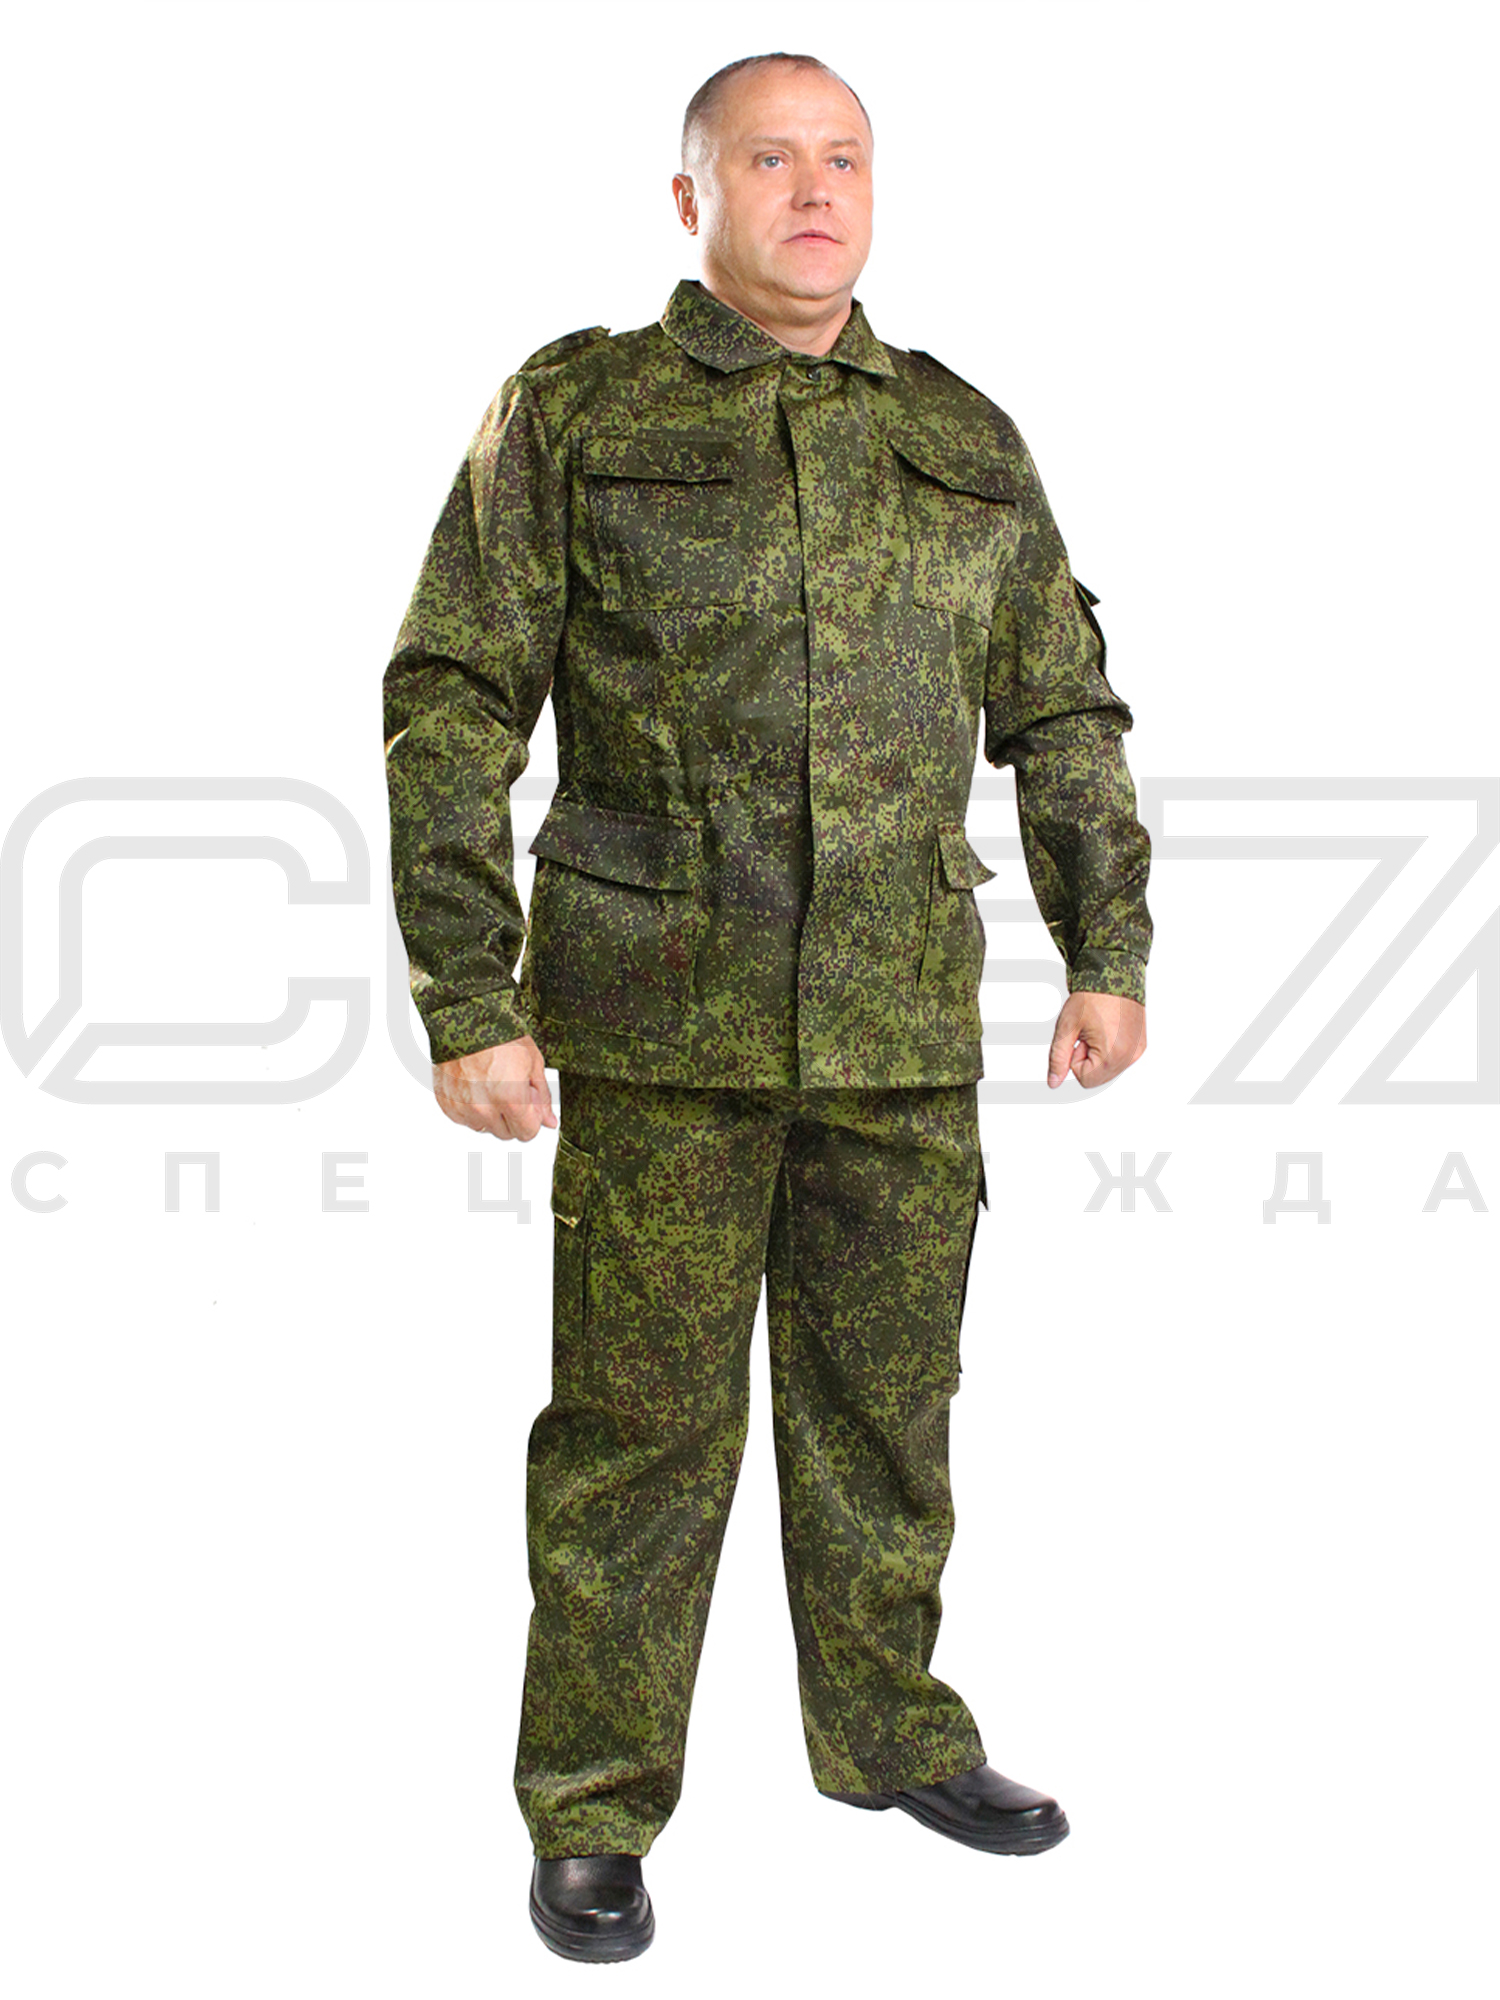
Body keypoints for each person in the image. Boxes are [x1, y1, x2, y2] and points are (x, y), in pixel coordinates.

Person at [383, 50, 1151, 1964]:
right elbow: (453, 697)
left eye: (845, 161)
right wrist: (467, 986)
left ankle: (889, 1734)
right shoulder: (581, 410)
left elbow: (1062, 709)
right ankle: (591, 1809)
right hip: (662, 1022)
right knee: (636, 1437)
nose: (815, 193)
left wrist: (1108, 946)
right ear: (691, 195)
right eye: (770, 160)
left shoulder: (961, 435)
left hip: (898, 1020)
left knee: (889, 1409)